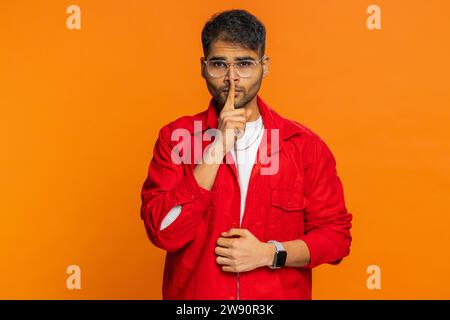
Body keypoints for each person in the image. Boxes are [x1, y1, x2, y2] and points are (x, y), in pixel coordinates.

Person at [140, 9, 352, 300]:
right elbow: (164, 231)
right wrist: (218, 146)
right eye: (219, 64)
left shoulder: (304, 146)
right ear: (203, 67)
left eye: (244, 64)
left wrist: (270, 253)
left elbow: (336, 237)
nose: (232, 78)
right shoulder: (176, 139)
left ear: (264, 66)